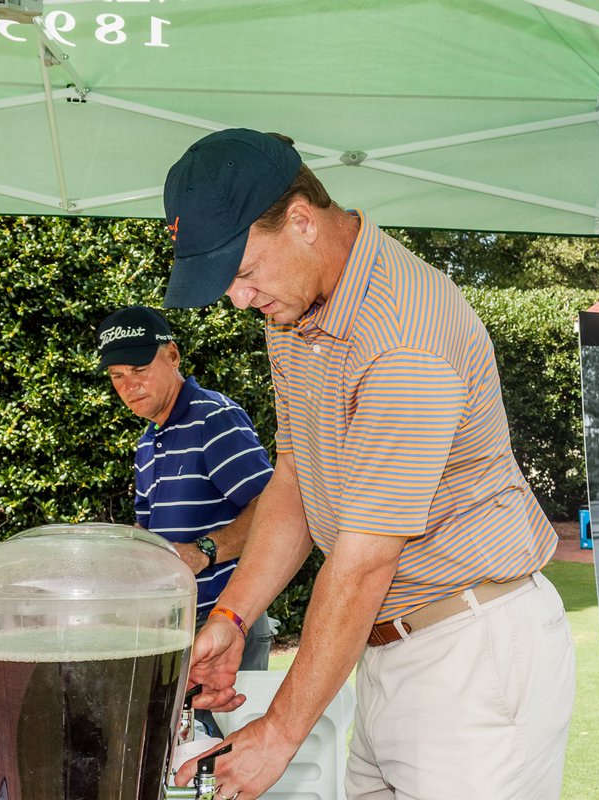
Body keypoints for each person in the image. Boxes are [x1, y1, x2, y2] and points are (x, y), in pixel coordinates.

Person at [161, 129, 575, 800]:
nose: (238, 299)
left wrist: (280, 731)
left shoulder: (403, 340)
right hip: (385, 652)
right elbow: (295, 478)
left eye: (242, 272)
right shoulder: (295, 312)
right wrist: (232, 619)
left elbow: (363, 561)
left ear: (301, 221)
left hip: (471, 657)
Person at [96, 305, 275, 676]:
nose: (130, 385)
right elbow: (151, 536)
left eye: (140, 369)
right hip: (174, 629)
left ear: (173, 355)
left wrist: (203, 551)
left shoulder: (213, 417)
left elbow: (273, 508)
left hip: (226, 622)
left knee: (223, 735)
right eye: (117, 375)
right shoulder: (148, 442)